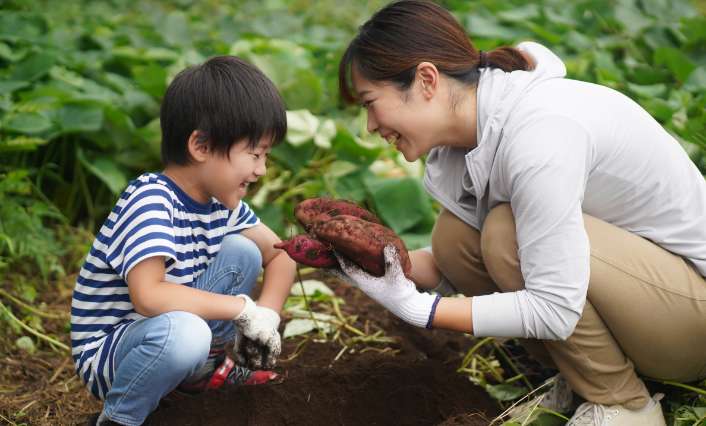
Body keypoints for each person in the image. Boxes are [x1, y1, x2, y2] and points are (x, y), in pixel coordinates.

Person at [334, 1, 706, 425]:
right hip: (646, 299)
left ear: (425, 80)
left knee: (505, 235)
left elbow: (554, 306)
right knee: (455, 240)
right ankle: (582, 375)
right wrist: (368, 263)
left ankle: (626, 405)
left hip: (692, 319)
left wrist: (422, 310)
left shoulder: (539, 134)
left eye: (369, 102)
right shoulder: (474, 136)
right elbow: (454, 267)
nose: (369, 125)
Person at [70, 56, 296, 426]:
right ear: (201, 146)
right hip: (113, 351)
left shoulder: (219, 203)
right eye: (254, 153)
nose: (261, 169)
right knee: (186, 332)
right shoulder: (152, 200)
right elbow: (149, 296)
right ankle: (118, 418)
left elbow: (281, 256)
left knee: (242, 250)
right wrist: (243, 309)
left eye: (266, 155)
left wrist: (267, 315)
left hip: (168, 333)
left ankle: (202, 372)